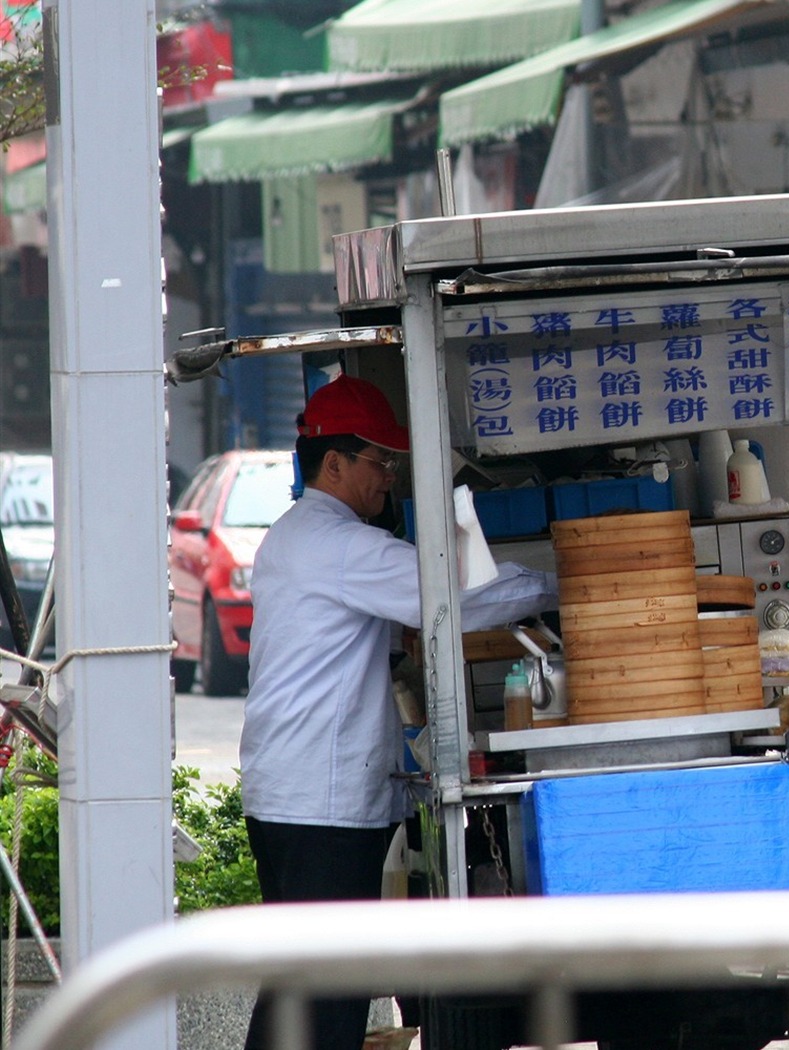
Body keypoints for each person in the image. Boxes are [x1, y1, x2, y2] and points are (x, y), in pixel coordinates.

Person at [239, 375, 557, 1050]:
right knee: (320, 994)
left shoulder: (294, 538)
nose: (390, 478)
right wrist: (561, 584)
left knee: (304, 981)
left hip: (291, 793)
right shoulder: (340, 545)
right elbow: (448, 599)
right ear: (335, 464)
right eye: (381, 461)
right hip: (321, 804)